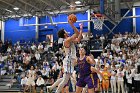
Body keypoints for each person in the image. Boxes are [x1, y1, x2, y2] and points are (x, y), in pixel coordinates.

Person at [47, 19, 83, 93]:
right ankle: (55, 91)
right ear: (64, 34)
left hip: (69, 60)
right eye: (66, 31)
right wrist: (72, 25)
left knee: (65, 78)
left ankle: (50, 88)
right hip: (69, 60)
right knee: (65, 80)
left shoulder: (69, 39)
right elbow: (77, 33)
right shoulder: (67, 41)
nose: (67, 31)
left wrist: (81, 29)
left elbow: (79, 38)